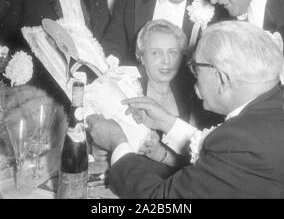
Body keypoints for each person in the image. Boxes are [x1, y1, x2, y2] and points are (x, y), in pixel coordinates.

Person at [87, 21, 284, 199]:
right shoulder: (273, 106)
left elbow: (162, 202)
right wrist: (166, 122)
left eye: (196, 69)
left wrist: (118, 142)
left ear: (222, 78)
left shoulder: (243, 140)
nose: (193, 77)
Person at [135, 19, 192, 167]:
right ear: (141, 56)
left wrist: (162, 155)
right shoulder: (130, 90)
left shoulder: (192, 96)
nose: (166, 61)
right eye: (155, 53)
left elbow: (200, 162)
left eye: (172, 52)